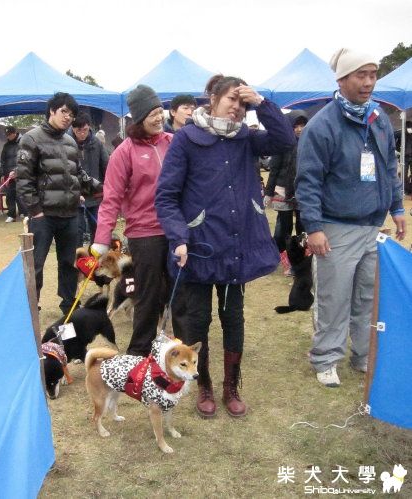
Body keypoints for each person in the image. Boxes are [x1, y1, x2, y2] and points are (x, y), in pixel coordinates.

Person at [155, 74, 296, 418]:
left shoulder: (245, 138)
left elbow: (284, 140)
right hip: (199, 247)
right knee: (197, 321)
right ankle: (203, 384)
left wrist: (261, 103)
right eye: (232, 99)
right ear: (213, 98)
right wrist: (178, 236)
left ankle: (231, 387)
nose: (237, 108)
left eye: (242, 103)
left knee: (233, 317)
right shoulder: (187, 138)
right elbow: (167, 195)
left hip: (236, 247)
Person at [295, 48, 406, 388]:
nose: (369, 82)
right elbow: (308, 181)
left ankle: (363, 355)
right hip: (336, 226)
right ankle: (326, 358)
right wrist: (314, 228)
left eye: (373, 74)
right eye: (361, 75)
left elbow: (389, 167)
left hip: (373, 225)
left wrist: (397, 207)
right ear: (342, 79)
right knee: (334, 297)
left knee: (368, 297)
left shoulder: (378, 118)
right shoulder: (322, 125)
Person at [90, 84, 185, 356]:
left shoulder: (173, 142)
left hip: (176, 230)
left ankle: (181, 350)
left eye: (160, 111)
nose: (158, 117)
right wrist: (102, 239)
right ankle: (139, 353)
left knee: (180, 294)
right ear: (139, 118)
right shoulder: (125, 151)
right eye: (152, 113)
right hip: (145, 233)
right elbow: (111, 198)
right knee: (148, 296)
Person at [16, 93, 101, 315]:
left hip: (70, 213)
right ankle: (30, 308)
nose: (67, 117)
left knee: (69, 262)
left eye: (71, 114)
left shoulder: (70, 141)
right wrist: (35, 211)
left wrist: (101, 188)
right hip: (43, 215)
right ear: (52, 111)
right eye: (64, 112)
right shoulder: (31, 139)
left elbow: (78, 175)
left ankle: (69, 305)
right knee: (36, 264)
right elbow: (23, 179)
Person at [264, 111, 309, 275]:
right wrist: (268, 192)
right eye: (295, 126)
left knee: (303, 227)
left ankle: (301, 260)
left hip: (304, 189)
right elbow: (274, 169)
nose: (299, 129)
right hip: (282, 189)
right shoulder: (282, 143)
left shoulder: (311, 142)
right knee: (284, 227)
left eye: (302, 125)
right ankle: (284, 260)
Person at [69, 112, 109, 245]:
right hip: (74, 194)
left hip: (95, 193)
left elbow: (107, 166)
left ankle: (95, 255)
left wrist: (106, 187)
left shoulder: (96, 142)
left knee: (96, 226)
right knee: (77, 229)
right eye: (78, 130)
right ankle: (77, 256)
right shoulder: (65, 143)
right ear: (72, 128)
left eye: (85, 130)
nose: (82, 133)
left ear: (89, 127)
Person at [0, 126, 26, 223]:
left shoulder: (23, 142)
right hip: (8, 175)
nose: (8, 137)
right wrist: (2, 173)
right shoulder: (6, 146)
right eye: (7, 135)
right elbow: (2, 160)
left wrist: (17, 171)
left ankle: (24, 213)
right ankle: (11, 215)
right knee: (9, 195)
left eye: (9, 134)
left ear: (15, 133)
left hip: (21, 173)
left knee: (20, 194)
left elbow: (25, 159)